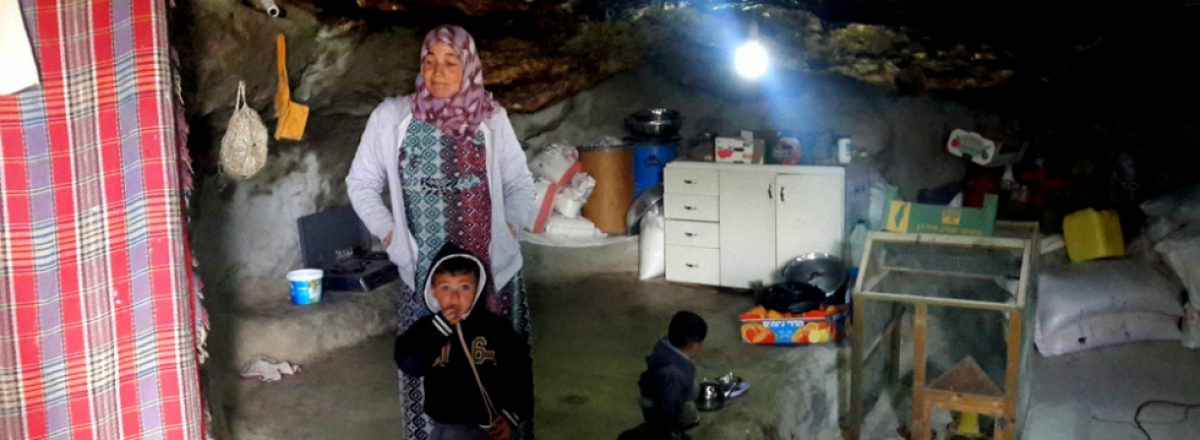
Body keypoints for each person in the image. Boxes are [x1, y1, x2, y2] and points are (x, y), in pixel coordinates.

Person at [346, 25, 536, 440]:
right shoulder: (392, 117)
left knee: (500, 362)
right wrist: (392, 236)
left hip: (490, 270)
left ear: (469, 66)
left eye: (451, 61)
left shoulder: (491, 118)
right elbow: (359, 183)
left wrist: (509, 227)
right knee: (432, 361)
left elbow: (521, 182)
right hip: (428, 271)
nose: (438, 71)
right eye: (428, 61)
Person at [395, 243, 532, 440]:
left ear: (477, 288)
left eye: (464, 287)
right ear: (433, 291)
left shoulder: (496, 329)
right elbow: (410, 365)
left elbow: (520, 374)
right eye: (445, 287)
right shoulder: (425, 328)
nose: (454, 297)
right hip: (443, 427)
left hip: (488, 428)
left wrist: (512, 416)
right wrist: (438, 330)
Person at [636, 311, 707, 440]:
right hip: (658, 407)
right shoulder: (672, 374)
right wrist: (668, 433)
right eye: (701, 343)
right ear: (692, 344)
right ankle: (675, 429)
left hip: (664, 391)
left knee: (693, 386)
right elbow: (666, 407)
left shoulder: (666, 346)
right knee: (687, 410)